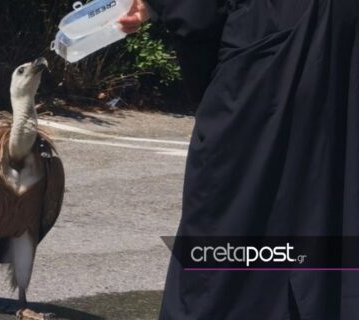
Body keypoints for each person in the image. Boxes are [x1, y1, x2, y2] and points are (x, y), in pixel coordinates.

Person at [118, 0, 359, 319]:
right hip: (338, 53)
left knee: (237, 222)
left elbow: (197, 19)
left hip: (265, 72)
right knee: (328, 202)